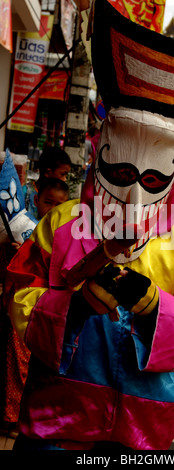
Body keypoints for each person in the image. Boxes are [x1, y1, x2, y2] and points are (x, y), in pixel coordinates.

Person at [4, 0, 174, 451]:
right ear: (100, 156)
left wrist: (155, 307)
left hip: (146, 439)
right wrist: (71, 309)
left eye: (152, 179)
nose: (135, 198)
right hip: (58, 432)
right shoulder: (61, 225)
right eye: (122, 174)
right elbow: (18, 294)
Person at [1, 178, 69, 438]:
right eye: (48, 202)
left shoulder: (65, 234)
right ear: (36, 200)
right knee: (17, 363)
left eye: (59, 205)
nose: (52, 210)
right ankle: (12, 417)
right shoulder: (25, 226)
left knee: (32, 365)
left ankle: (21, 414)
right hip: (24, 308)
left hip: (49, 311)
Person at [23, 147, 71, 220]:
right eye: (63, 174)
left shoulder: (62, 197)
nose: (65, 179)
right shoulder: (24, 193)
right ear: (48, 172)